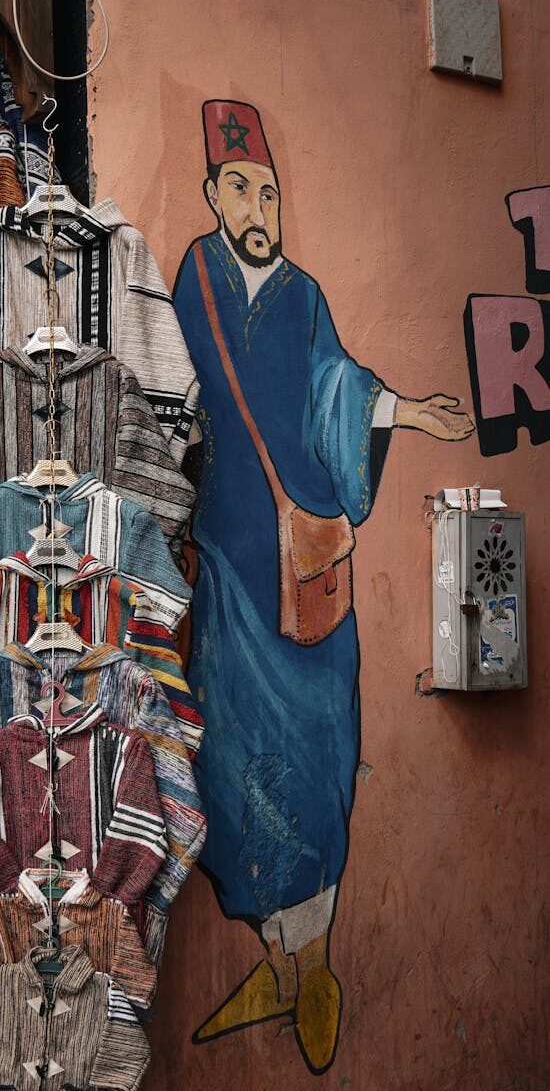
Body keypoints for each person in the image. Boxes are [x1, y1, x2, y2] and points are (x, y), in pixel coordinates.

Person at [173, 100, 474, 1074]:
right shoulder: (194, 278)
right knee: (227, 772)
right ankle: (279, 961)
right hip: (226, 576)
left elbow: (340, 384)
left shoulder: (301, 295)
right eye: (241, 188)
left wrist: (405, 411)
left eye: (268, 189)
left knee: (314, 766)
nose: (258, 204)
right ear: (213, 194)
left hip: (310, 580)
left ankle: (319, 972)